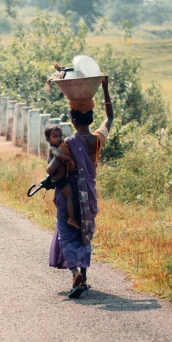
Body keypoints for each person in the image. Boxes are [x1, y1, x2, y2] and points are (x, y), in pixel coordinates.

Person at [47, 76, 114, 298]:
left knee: (66, 232)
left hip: (69, 194)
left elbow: (52, 168)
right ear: (90, 118)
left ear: (72, 120)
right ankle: (83, 277)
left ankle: (75, 273)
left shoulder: (67, 144)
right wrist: (105, 89)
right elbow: (110, 117)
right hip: (88, 196)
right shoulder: (97, 140)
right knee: (84, 232)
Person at [45, 124, 80, 229]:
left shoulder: (57, 147)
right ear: (48, 139)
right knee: (70, 196)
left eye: (60, 135)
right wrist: (69, 159)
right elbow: (59, 155)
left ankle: (56, 201)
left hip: (59, 178)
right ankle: (71, 219)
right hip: (59, 178)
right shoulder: (53, 148)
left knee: (64, 194)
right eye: (55, 136)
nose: (59, 138)